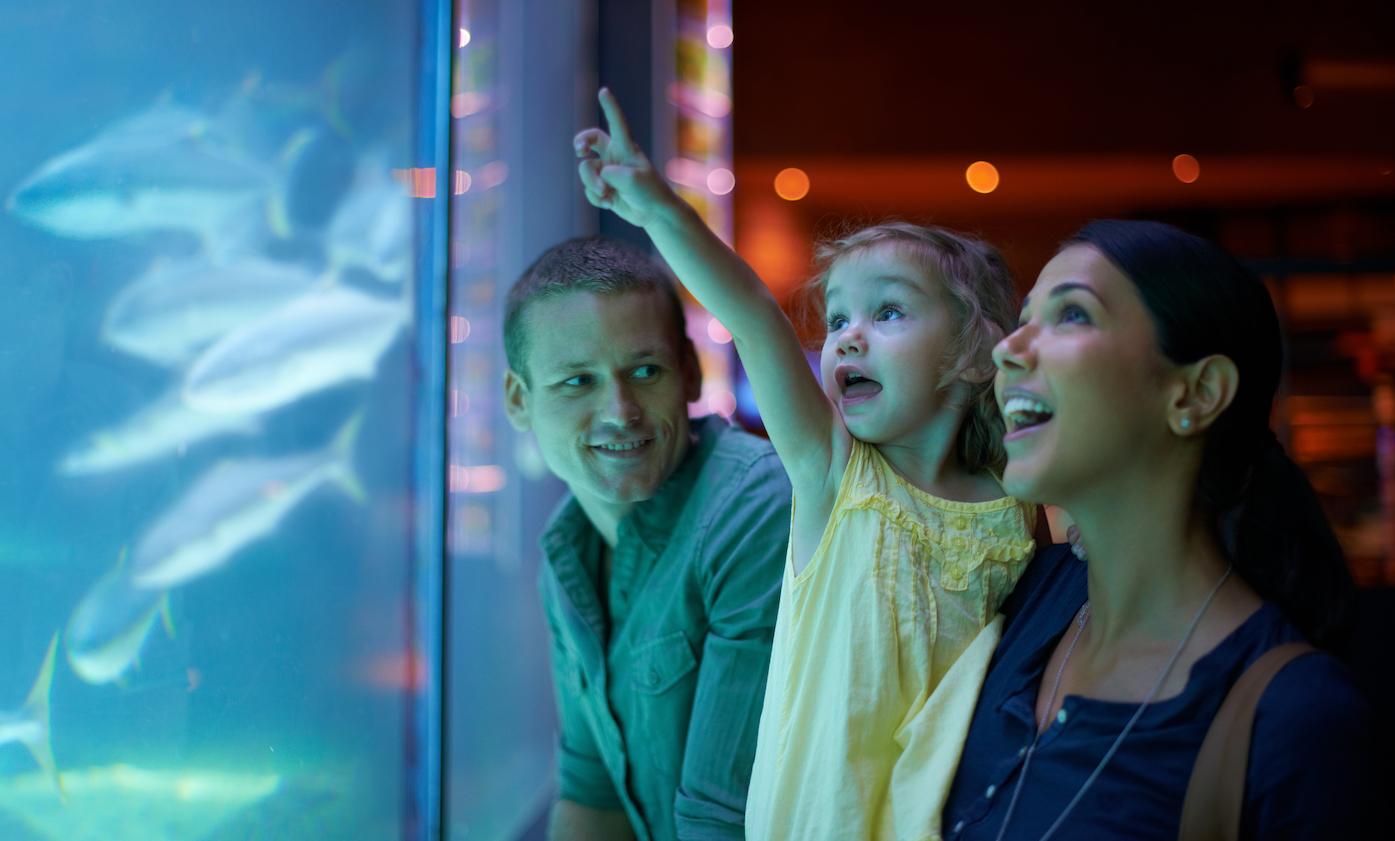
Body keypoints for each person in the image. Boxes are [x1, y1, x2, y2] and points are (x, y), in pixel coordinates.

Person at [575, 89, 1038, 841]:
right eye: (837, 319)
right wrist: (656, 206)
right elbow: (754, 314)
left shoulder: (1014, 502)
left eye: (886, 311)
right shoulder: (837, 473)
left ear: (973, 353)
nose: (847, 337)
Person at [942, 220, 1378, 839]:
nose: (1007, 349)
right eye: (1023, 318)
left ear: (1196, 394)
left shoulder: (1298, 720)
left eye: (1071, 315)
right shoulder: (1024, 598)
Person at [503, 236, 792, 841]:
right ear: (517, 400)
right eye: (577, 381)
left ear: (688, 373)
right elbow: (593, 796)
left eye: (643, 371)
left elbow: (720, 823)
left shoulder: (752, 508)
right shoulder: (568, 547)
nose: (619, 410)